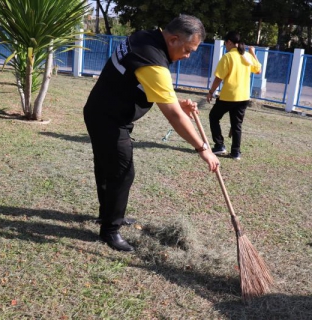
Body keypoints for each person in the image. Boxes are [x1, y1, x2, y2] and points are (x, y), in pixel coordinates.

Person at [83, 15, 220, 252]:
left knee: (108, 168)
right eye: (188, 50)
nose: (188, 56)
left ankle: (109, 215)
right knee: (122, 172)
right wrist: (203, 148)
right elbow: (174, 117)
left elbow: (142, 82)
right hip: (109, 119)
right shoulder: (154, 62)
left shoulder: (144, 36)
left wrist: (176, 102)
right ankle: (110, 230)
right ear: (174, 39)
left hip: (100, 111)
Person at [206, 31, 261, 160]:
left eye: (226, 43)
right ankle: (236, 152)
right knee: (236, 125)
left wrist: (210, 92)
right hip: (243, 97)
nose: (225, 46)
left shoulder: (228, 56)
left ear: (230, 42)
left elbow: (219, 77)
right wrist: (253, 53)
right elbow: (258, 70)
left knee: (214, 117)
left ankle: (219, 145)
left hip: (229, 96)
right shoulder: (246, 56)